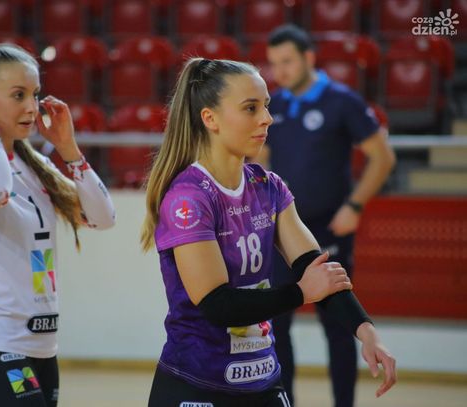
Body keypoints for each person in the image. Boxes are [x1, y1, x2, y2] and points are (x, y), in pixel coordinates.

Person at [140, 57, 396, 407]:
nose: (267, 118)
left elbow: (316, 269)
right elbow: (217, 304)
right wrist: (300, 293)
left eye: (266, 106)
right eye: (251, 108)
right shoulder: (189, 198)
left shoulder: (268, 186)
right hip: (196, 383)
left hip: (262, 381)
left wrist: (366, 331)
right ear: (210, 119)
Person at [0, 43, 116, 406]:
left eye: (35, 94)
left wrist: (69, 150)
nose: (32, 107)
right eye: (18, 95)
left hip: (42, 350)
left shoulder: (34, 166)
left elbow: (103, 218)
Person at [254, 25, 397, 407]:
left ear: (309, 58)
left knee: (338, 325)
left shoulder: (342, 101)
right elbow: (263, 159)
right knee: (276, 327)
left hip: (328, 228)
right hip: (281, 233)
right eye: (274, 64)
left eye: (287, 61)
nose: (280, 71)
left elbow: (382, 157)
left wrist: (354, 206)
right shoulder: (275, 105)